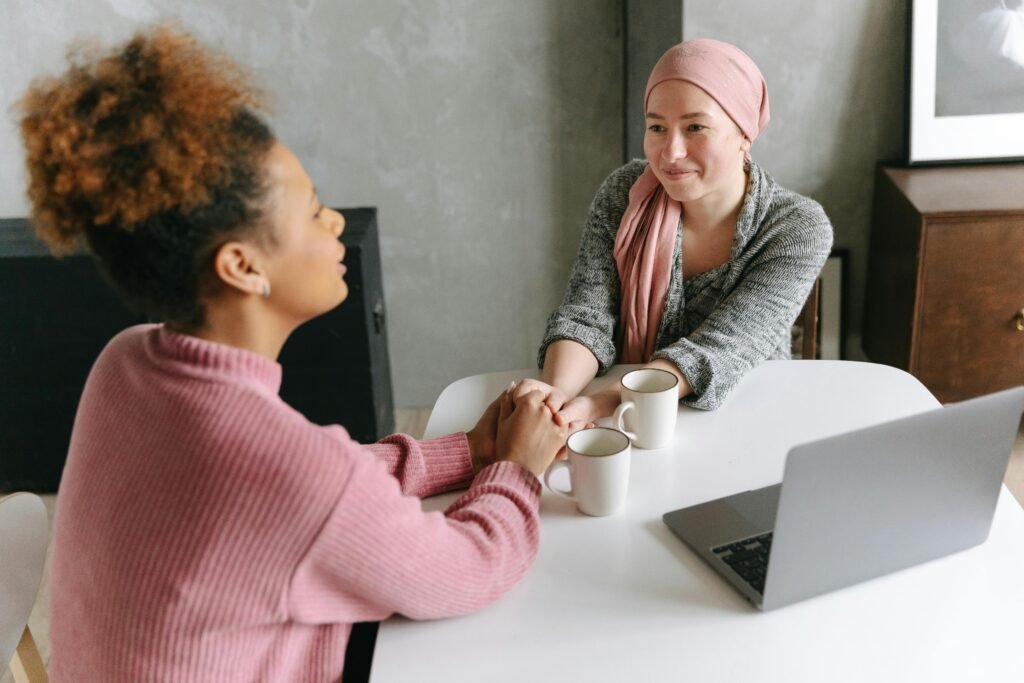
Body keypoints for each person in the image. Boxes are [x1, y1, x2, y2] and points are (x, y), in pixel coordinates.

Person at [19, 26, 566, 682]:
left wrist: (464, 453)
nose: (334, 222)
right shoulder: (283, 467)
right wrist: (518, 468)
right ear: (243, 266)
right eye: (311, 211)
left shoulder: (125, 363)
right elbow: (470, 566)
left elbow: (308, 488)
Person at [518, 39, 833, 422]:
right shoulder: (625, 194)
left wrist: (602, 403)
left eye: (695, 127)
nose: (671, 153)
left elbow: (719, 349)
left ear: (745, 132)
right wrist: (555, 396)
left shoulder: (796, 228)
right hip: (628, 425)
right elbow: (587, 316)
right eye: (656, 127)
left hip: (745, 420)